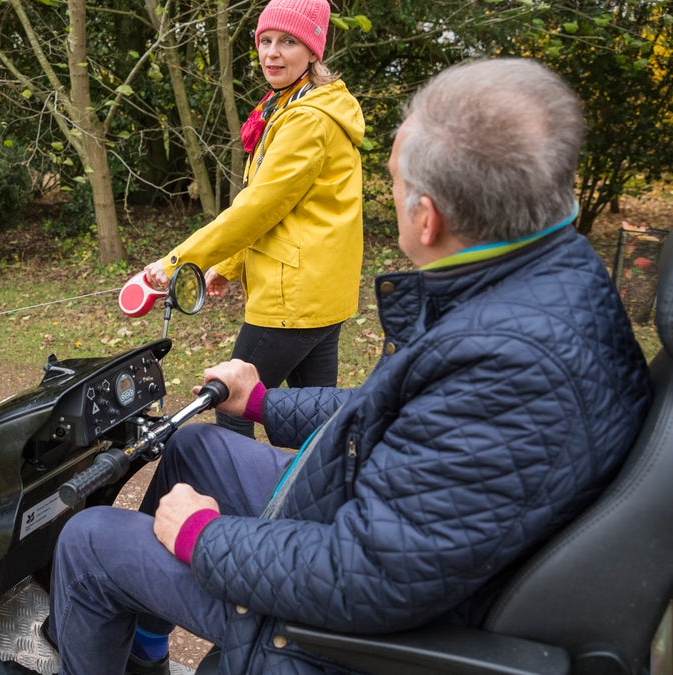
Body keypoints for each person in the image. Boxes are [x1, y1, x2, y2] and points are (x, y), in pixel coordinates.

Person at [45, 57, 653, 675]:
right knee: (193, 452)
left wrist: (204, 537)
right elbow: (403, 410)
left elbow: (369, 576)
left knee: (90, 539)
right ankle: (147, 650)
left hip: (331, 627)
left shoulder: (515, 366)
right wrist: (261, 403)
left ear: (427, 219)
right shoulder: (543, 281)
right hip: (378, 513)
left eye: (391, 183)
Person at [143, 0, 365, 439]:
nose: (271, 53)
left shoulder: (306, 119)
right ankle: (318, 501)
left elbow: (258, 206)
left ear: (312, 51)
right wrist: (228, 266)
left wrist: (175, 263)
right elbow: (282, 209)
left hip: (292, 299)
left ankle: (239, 501)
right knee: (315, 421)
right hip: (321, 294)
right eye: (265, 41)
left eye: (287, 42)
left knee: (231, 406)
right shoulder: (293, 105)